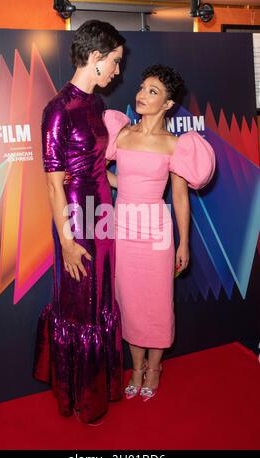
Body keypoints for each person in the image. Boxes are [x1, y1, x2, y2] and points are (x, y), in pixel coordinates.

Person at [103, 64, 215, 401]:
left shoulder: (175, 144)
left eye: (153, 91)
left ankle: (154, 368)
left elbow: (180, 196)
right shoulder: (121, 133)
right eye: (142, 87)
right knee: (130, 302)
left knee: (156, 303)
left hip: (156, 232)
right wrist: (118, 184)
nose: (142, 95)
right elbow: (108, 175)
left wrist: (185, 242)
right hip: (122, 227)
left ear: (167, 104)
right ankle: (135, 369)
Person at [33, 20, 126, 423]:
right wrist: (68, 242)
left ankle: (100, 387)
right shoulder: (57, 110)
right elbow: (54, 186)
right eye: (115, 62)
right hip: (74, 215)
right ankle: (80, 396)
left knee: (103, 295)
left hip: (102, 208)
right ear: (95, 58)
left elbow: (95, 165)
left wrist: (128, 183)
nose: (119, 72)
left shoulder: (95, 105)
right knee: (80, 304)